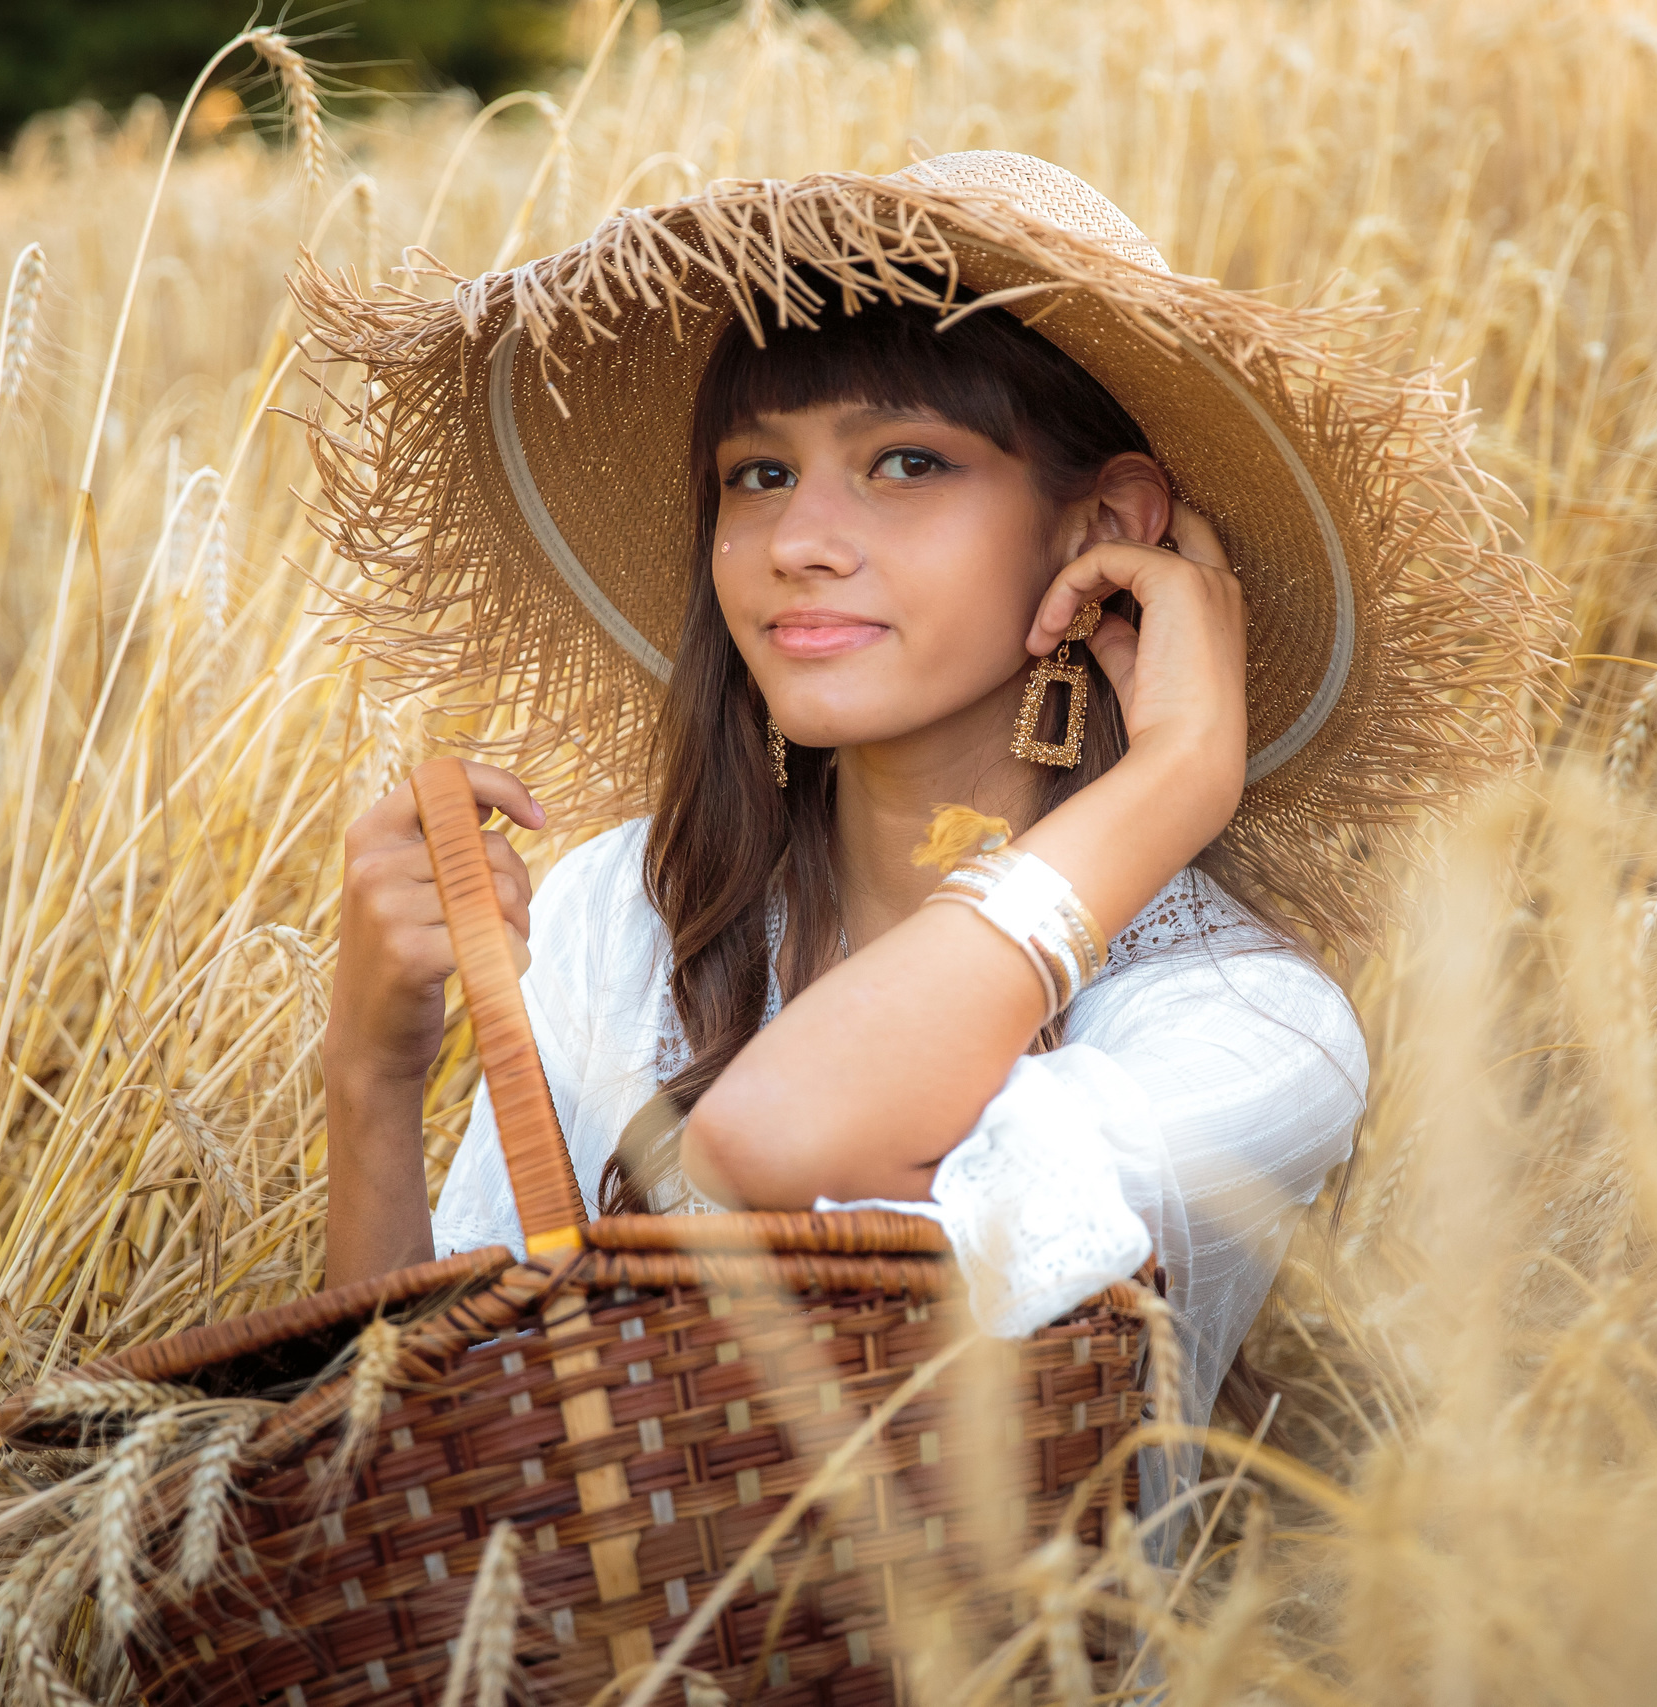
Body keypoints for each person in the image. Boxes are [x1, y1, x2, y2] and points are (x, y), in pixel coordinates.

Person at [297, 153, 1559, 1501]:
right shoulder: (631, 910)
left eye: (906, 462)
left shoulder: (1245, 1027)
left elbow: (770, 1140)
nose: (800, 541)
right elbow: (411, 1491)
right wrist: (370, 1082)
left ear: (1108, 526)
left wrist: (1185, 770)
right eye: (758, 474)